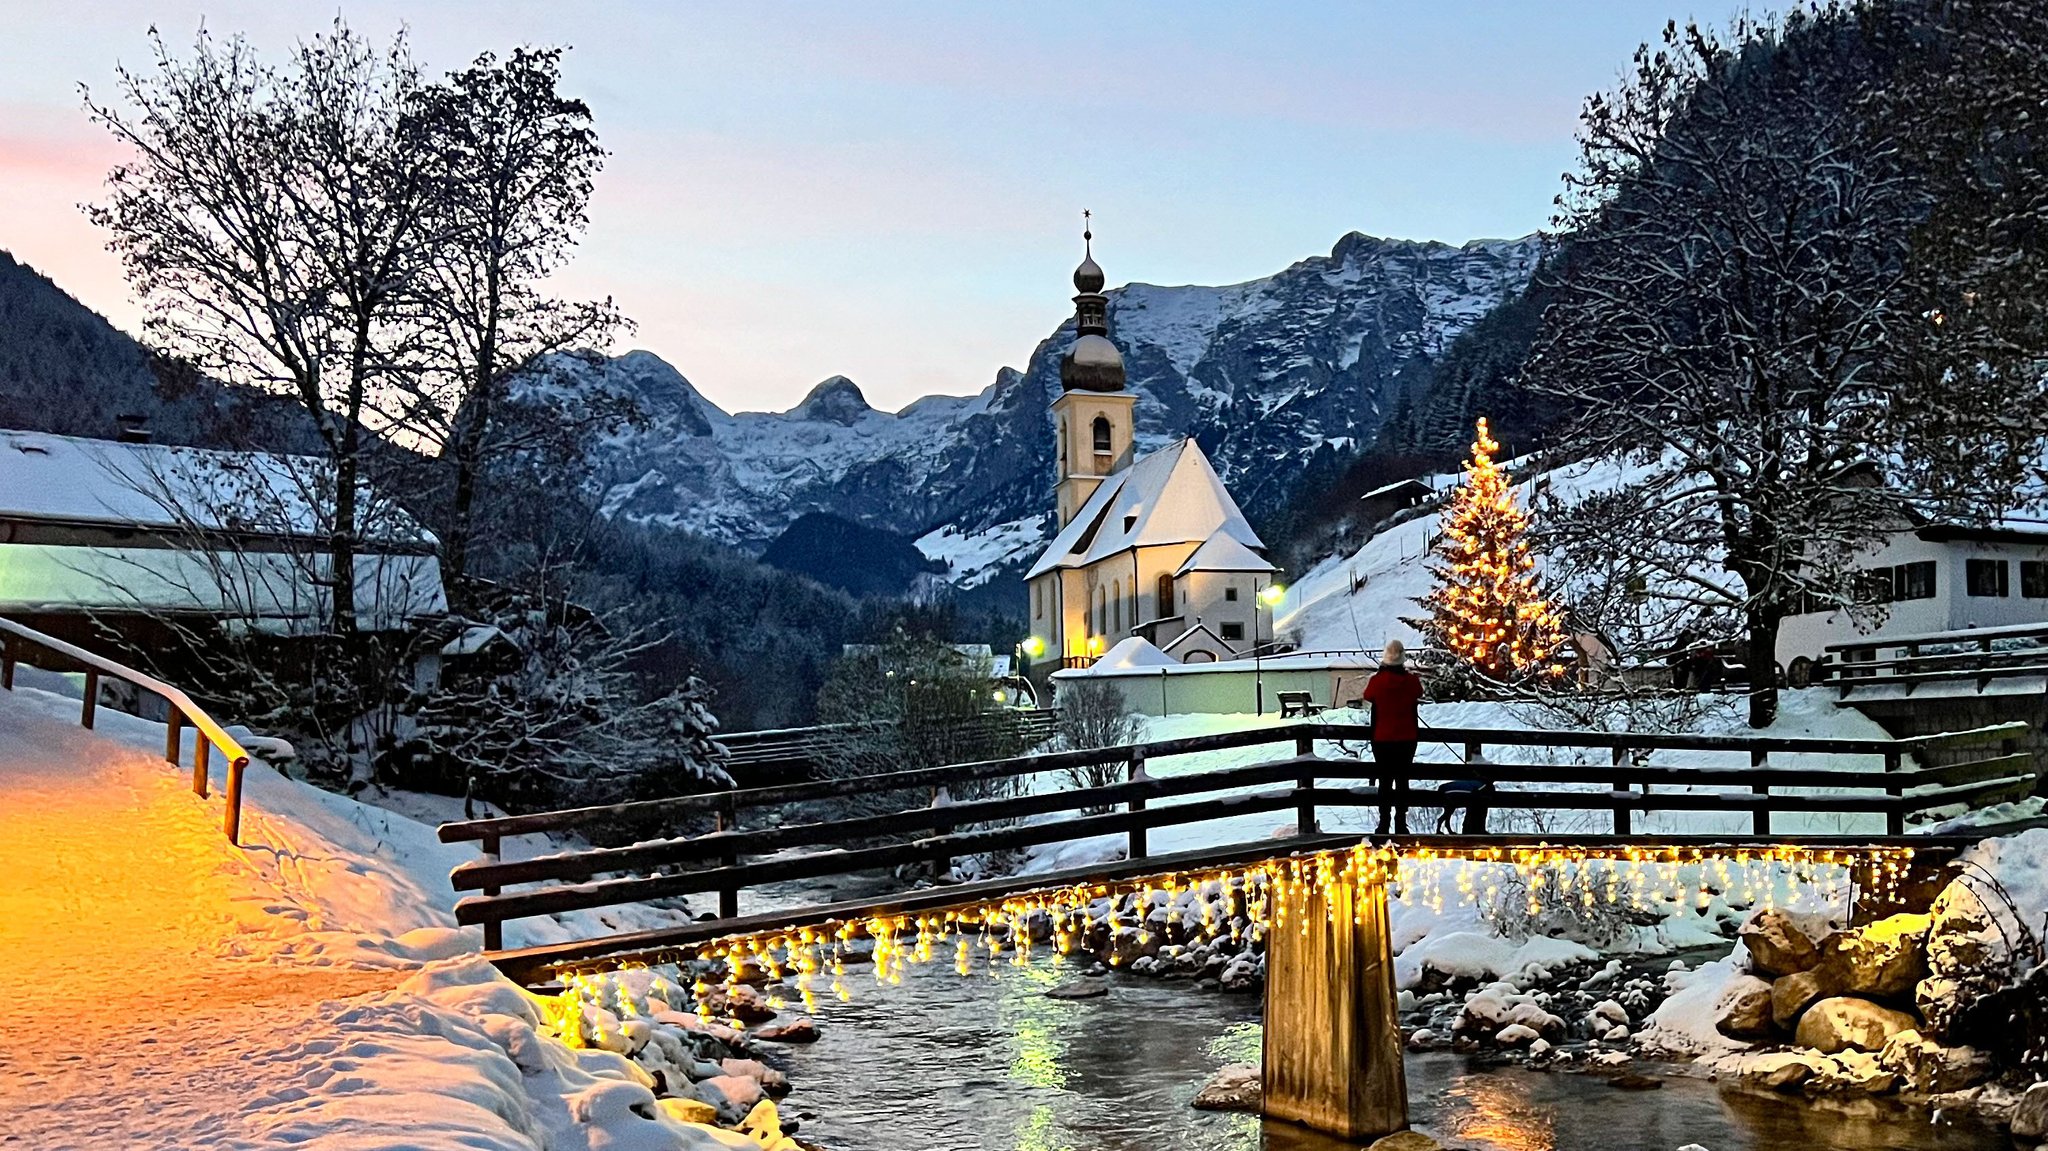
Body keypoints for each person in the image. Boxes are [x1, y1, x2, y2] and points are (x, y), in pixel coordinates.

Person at [1361, 639, 1422, 834]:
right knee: (1403, 780)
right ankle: (1401, 822)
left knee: (1385, 781)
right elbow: (1418, 693)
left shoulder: (1377, 682)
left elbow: (1368, 695)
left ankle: (1384, 822)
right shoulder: (1411, 681)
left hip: (1383, 738)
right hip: (1407, 738)